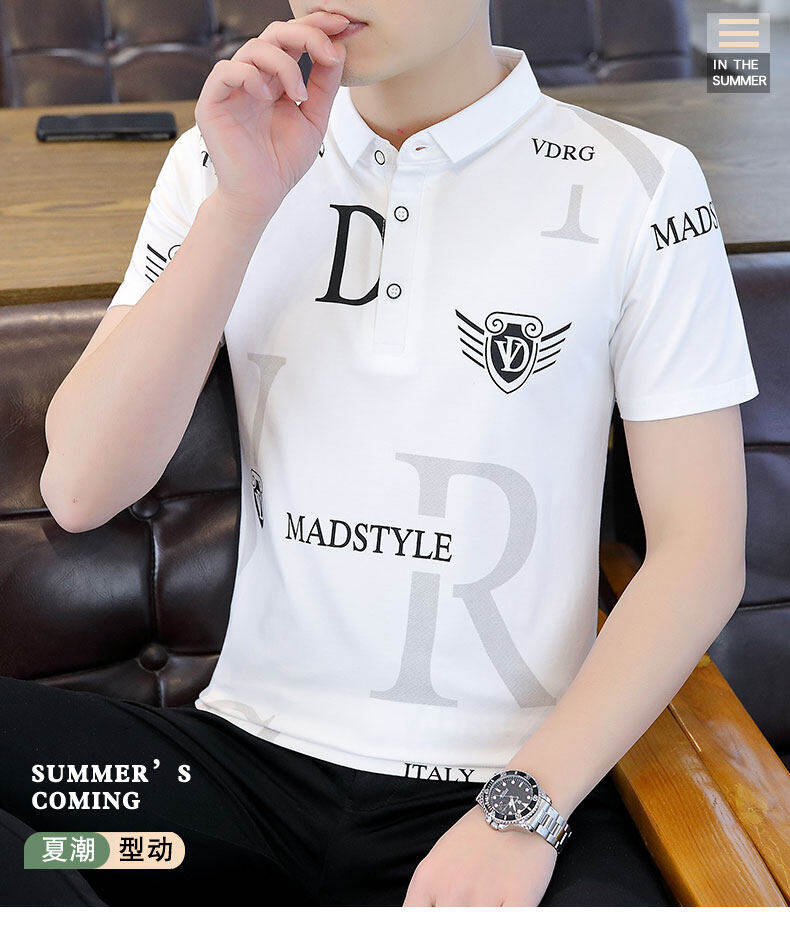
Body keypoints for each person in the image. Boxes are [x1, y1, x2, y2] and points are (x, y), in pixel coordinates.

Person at [4, 1, 757, 907]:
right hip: (225, 796)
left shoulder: (642, 185)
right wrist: (242, 206)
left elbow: (699, 553)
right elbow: (81, 488)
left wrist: (522, 812)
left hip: (498, 791)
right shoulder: (218, 158)